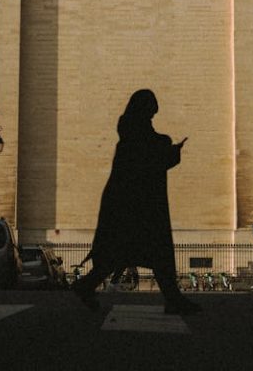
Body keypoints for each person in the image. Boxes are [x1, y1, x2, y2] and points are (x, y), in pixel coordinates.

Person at [71, 89, 199, 315]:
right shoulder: (141, 138)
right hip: (141, 207)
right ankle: (173, 299)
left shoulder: (130, 136)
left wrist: (167, 149)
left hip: (124, 205)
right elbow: (149, 162)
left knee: (120, 252)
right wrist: (172, 151)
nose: (152, 116)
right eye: (150, 112)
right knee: (156, 252)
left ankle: (87, 285)